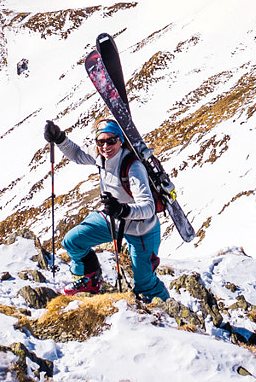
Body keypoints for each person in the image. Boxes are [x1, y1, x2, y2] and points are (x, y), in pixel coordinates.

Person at [42, 118, 167, 299]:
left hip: (142, 230)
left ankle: (168, 317)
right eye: (101, 141)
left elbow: (148, 207)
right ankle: (90, 281)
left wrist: (123, 210)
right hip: (113, 220)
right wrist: (59, 138)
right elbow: (77, 154)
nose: (106, 146)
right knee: (72, 241)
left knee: (145, 285)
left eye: (111, 141)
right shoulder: (100, 156)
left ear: (120, 141)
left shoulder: (133, 167)